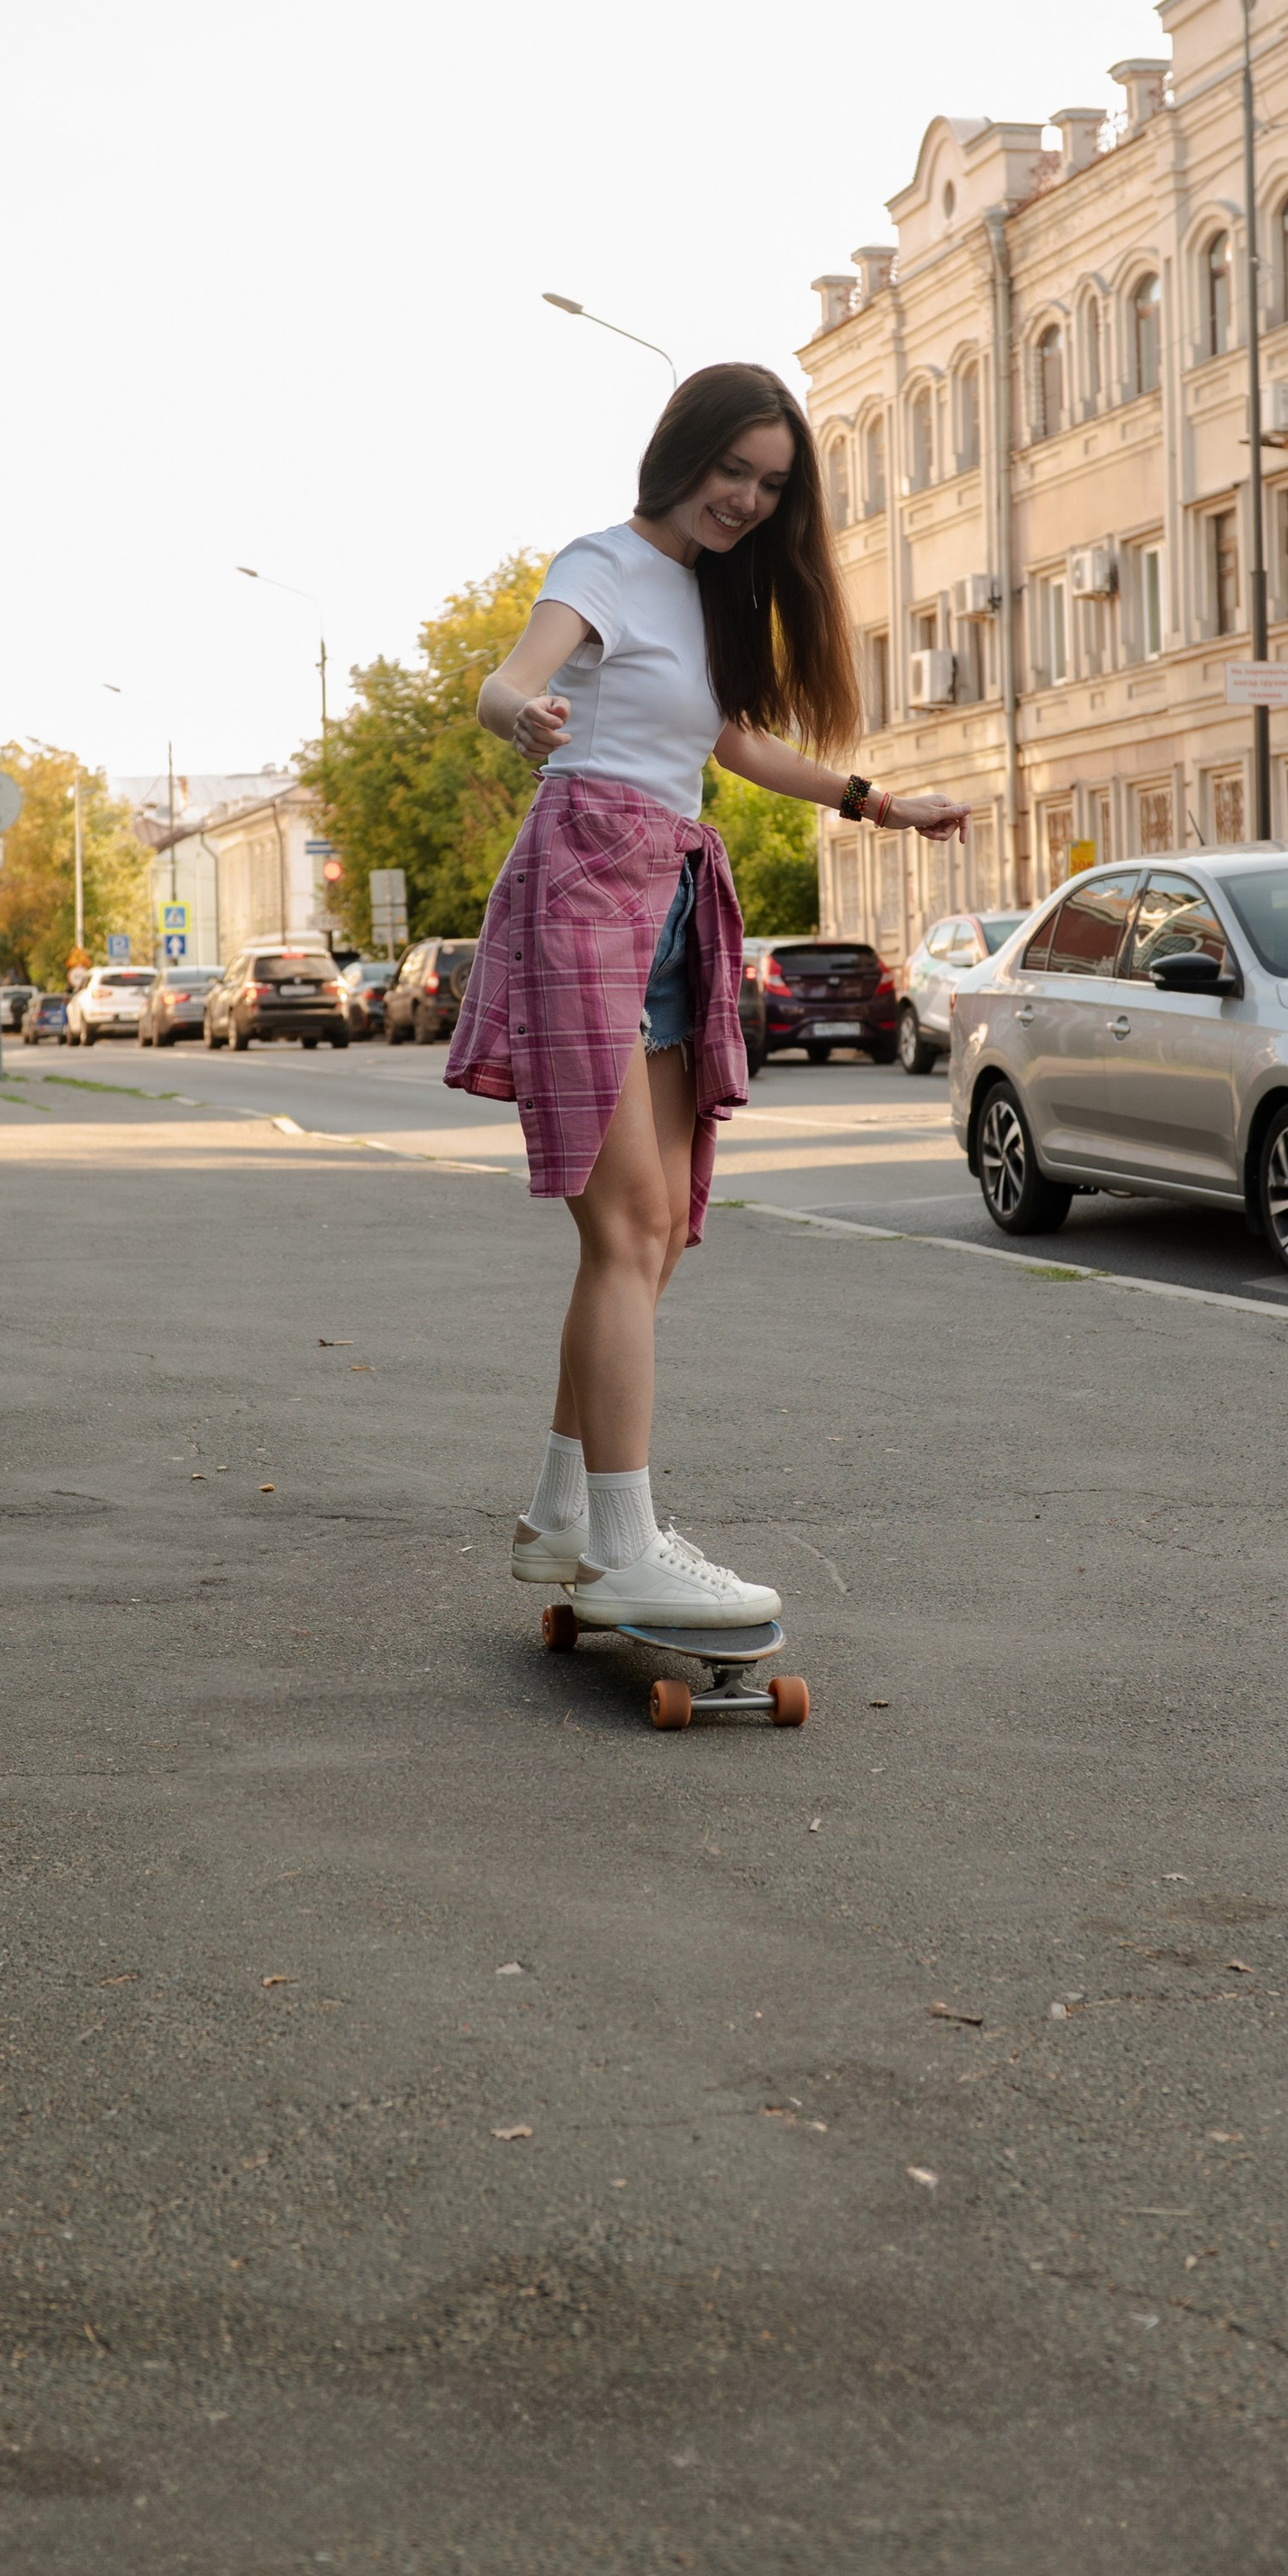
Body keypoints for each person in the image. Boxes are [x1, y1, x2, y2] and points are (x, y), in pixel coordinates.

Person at [447, 362, 965, 1631]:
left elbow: (729, 745)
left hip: (670, 897)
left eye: (771, 484)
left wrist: (875, 803)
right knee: (624, 1230)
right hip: (583, 883)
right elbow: (506, 681)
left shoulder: (713, 595)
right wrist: (528, 717)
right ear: (681, 452)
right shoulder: (606, 562)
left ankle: (560, 1514)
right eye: (732, 469)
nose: (745, 499)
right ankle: (624, 1540)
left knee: (659, 1228)